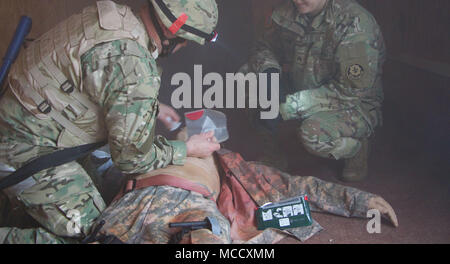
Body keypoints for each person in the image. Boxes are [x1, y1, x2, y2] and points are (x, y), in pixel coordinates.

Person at [0, 0, 221, 244]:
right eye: (186, 40)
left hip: (19, 119)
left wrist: (152, 106)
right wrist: (187, 148)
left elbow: (97, 77)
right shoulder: (135, 66)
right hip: (25, 150)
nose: (184, 46)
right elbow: (131, 158)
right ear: (170, 31)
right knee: (103, 234)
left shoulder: (111, 16)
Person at [87, 127, 398, 244]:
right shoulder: (156, 149)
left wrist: (361, 201)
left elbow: (297, 186)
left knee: (203, 241)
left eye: (211, 134)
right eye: (192, 130)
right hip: (131, 205)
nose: (204, 135)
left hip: (189, 211)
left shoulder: (234, 166)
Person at [240, 0, 386, 182]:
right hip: (304, 87)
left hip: (352, 104)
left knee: (312, 133)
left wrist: (287, 107)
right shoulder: (289, 10)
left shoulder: (356, 26)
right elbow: (262, 46)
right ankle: (274, 156)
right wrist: (268, 75)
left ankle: (356, 148)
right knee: (247, 81)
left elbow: (350, 92)